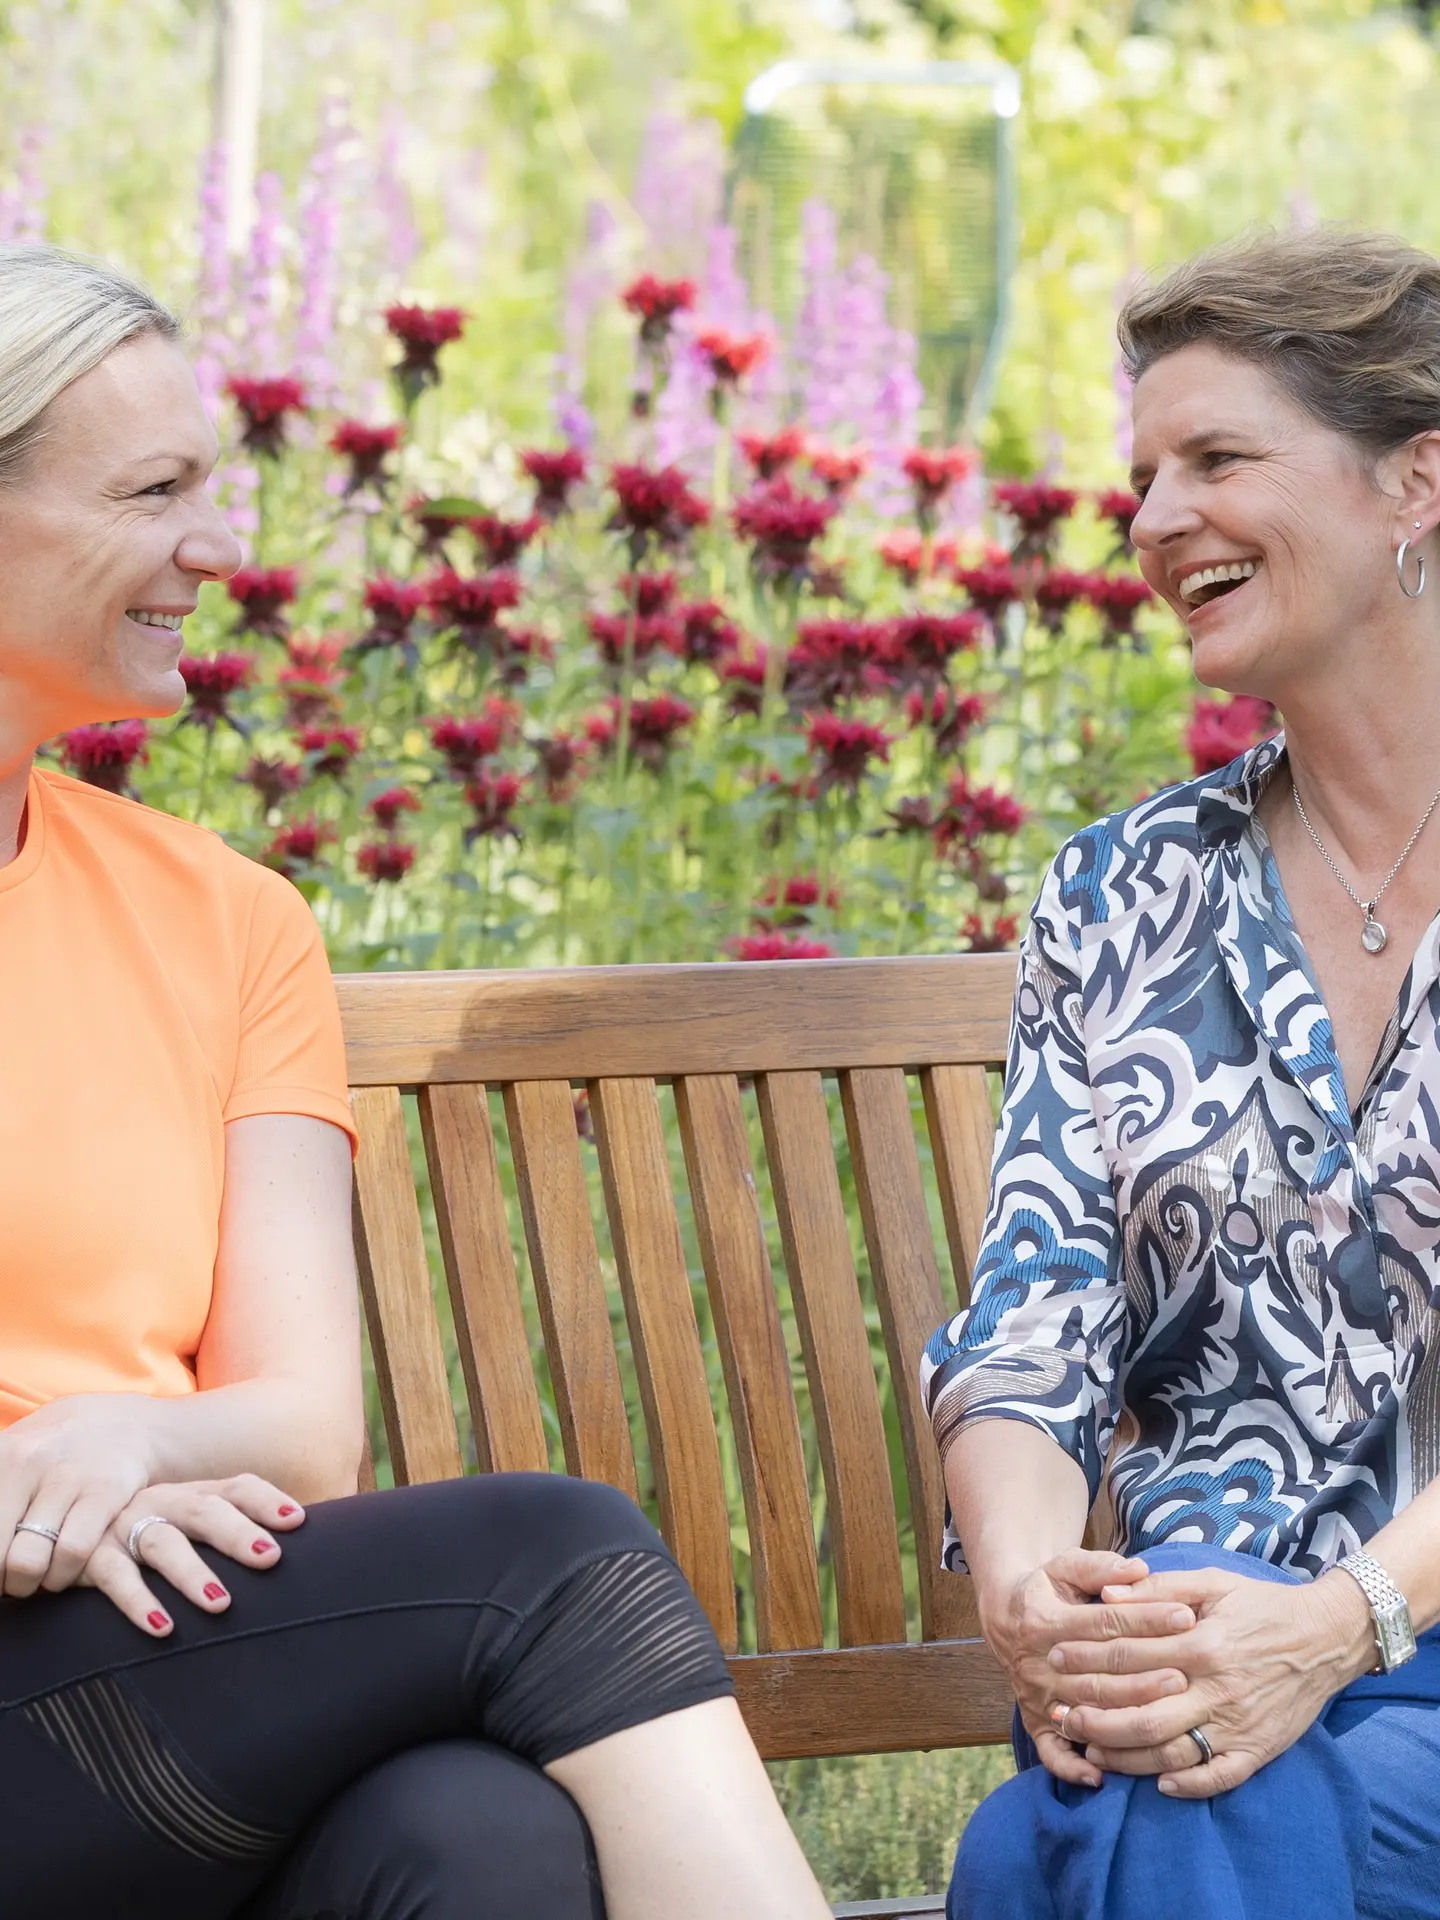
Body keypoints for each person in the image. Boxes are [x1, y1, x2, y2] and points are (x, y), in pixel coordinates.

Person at [0, 239, 832, 1920]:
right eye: (154, 491)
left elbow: (304, 1427)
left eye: (210, 487)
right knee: (555, 1556)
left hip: (139, 1653)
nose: (218, 546)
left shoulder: (226, 919)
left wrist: (123, 1442)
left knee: (473, 1836)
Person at [923, 227, 1440, 1920]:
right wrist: (1028, 1588)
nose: (1154, 521)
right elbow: (1035, 1315)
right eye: (1145, 476)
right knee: (1184, 1770)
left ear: (1417, 481)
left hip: (1370, 1637)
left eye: (1217, 460)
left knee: (1043, 1853)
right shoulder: (1122, 893)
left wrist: (1346, 1619)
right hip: (1195, 1639)